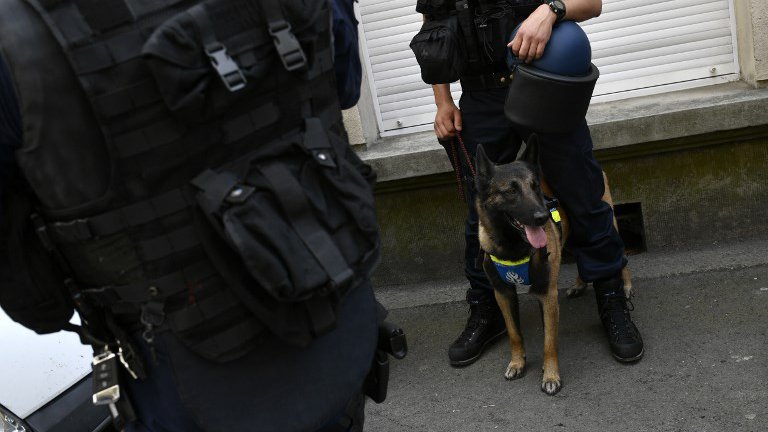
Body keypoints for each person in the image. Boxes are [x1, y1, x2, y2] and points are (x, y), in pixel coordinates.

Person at [0, 1, 388, 431]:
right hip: (335, 309)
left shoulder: (13, 31)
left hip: (188, 371)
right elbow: (345, 84)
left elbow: (37, 302)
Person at [423, 0, 645, 366]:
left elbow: (592, 3)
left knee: (583, 194)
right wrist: (443, 100)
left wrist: (551, 11)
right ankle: (487, 311)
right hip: (480, 95)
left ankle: (611, 299)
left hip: (545, 84)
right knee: (481, 211)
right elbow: (433, 24)